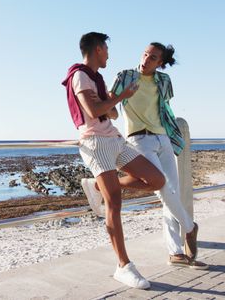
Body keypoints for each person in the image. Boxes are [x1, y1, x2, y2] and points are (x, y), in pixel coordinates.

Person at [62, 32, 166, 289]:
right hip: (95, 143)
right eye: (106, 49)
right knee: (115, 204)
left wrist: (109, 102)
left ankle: (97, 187)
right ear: (98, 49)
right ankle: (123, 266)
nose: (108, 54)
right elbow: (96, 111)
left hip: (115, 139)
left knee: (156, 179)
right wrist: (120, 97)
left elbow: (112, 113)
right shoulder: (80, 75)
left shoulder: (96, 78)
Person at [111, 42, 208, 270]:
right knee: (162, 187)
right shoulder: (125, 76)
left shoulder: (164, 81)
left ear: (160, 63)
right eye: (145, 54)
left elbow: (164, 108)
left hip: (163, 138)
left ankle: (175, 252)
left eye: (153, 57)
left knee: (171, 192)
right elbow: (112, 106)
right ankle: (189, 227)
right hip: (138, 139)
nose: (146, 59)